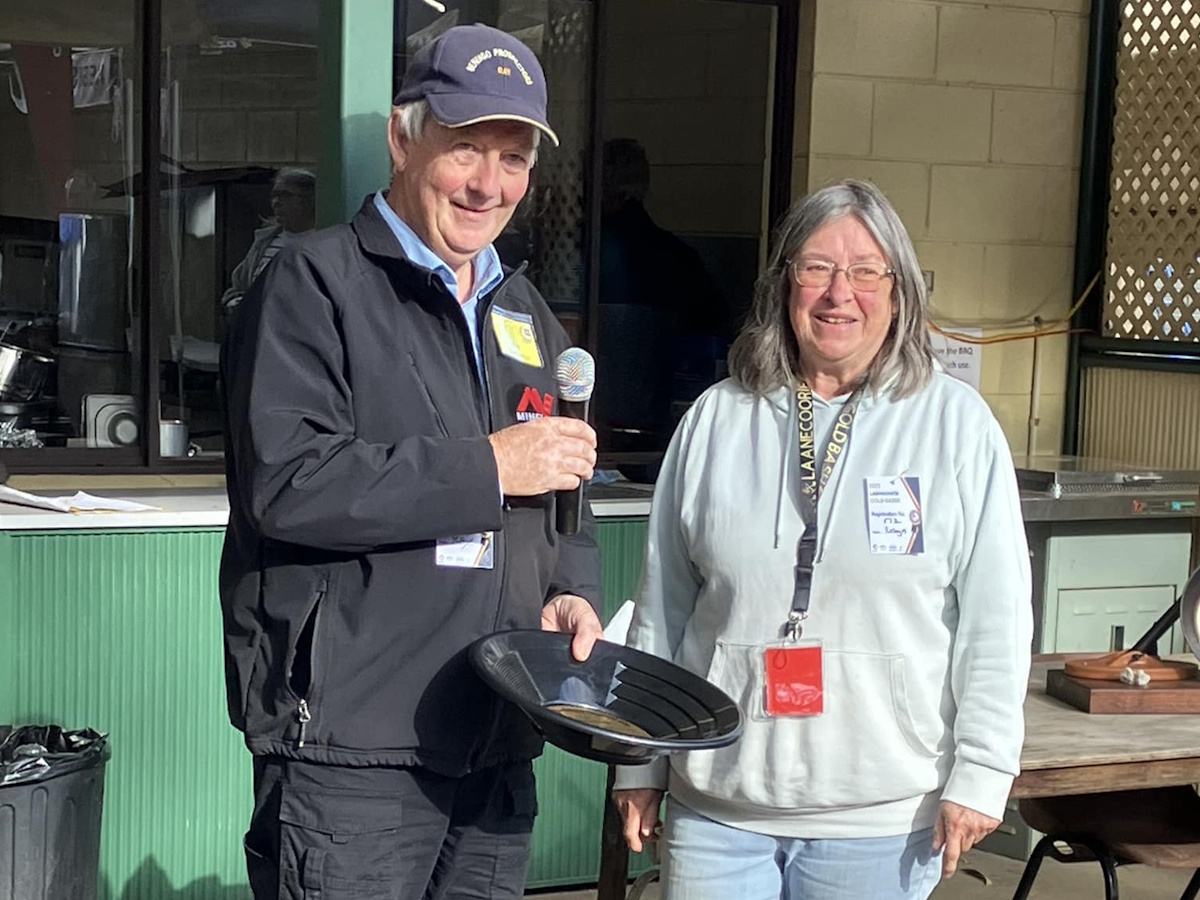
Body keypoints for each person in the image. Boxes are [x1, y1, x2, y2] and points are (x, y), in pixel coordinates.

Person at [219, 23, 604, 900]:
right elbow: (291, 484)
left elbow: (559, 486)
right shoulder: (312, 285)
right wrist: (487, 469)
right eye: (466, 148)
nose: (487, 183)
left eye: (512, 158)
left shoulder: (525, 313)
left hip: (498, 729)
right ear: (403, 137)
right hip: (354, 748)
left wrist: (568, 587)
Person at [613, 179, 1033, 899]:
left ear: (898, 294)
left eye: (866, 271)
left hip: (881, 821)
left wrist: (984, 770)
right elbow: (662, 610)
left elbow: (996, 621)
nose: (840, 293)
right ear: (784, 286)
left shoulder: (955, 427)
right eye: (817, 267)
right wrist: (639, 761)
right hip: (717, 812)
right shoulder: (716, 419)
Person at [220, 167, 316, 312]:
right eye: (274, 196)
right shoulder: (265, 241)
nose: (276, 202)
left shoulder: (324, 242)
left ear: (309, 200)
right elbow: (237, 286)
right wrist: (234, 302)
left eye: (285, 195)